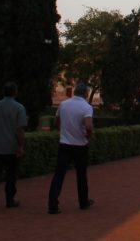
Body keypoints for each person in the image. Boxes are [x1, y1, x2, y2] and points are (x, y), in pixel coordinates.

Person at [47, 83, 95, 214]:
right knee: (81, 175)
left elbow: (56, 122)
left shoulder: (64, 104)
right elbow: (89, 126)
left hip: (64, 144)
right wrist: (88, 136)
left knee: (59, 174)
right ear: (85, 93)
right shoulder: (86, 107)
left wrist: (64, 131)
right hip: (80, 145)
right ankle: (83, 202)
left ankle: (52, 204)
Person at [0, 81, 27, 212]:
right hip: (10, 148)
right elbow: (20, 130)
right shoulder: (19, 108)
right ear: (15, 92)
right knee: (11, 175)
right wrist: (20, 146)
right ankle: (9, 199)